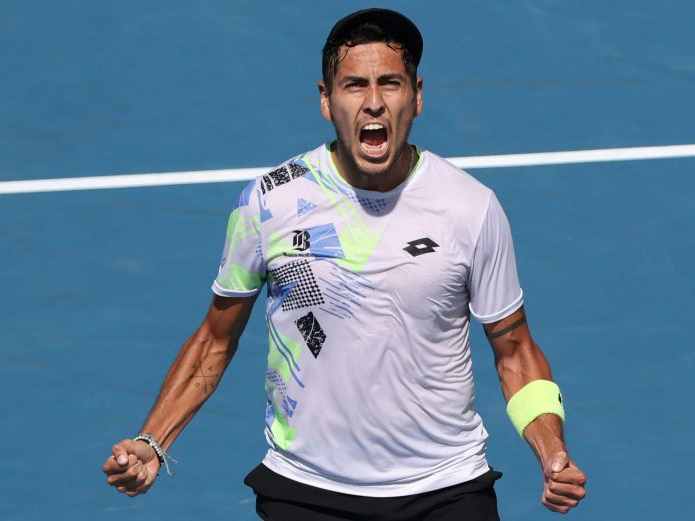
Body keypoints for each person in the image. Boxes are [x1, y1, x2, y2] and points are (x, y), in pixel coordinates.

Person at [102, 8, 587, 520]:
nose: (373, 102)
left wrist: (551, 451)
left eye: (390, 84)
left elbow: (514, 351)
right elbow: (214, 341)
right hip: (306, 490)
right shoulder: (270, 203)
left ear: (417, 96)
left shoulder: (470, 207)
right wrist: (152, 441)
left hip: (446, 488)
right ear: (325, 99)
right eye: (354, 85)